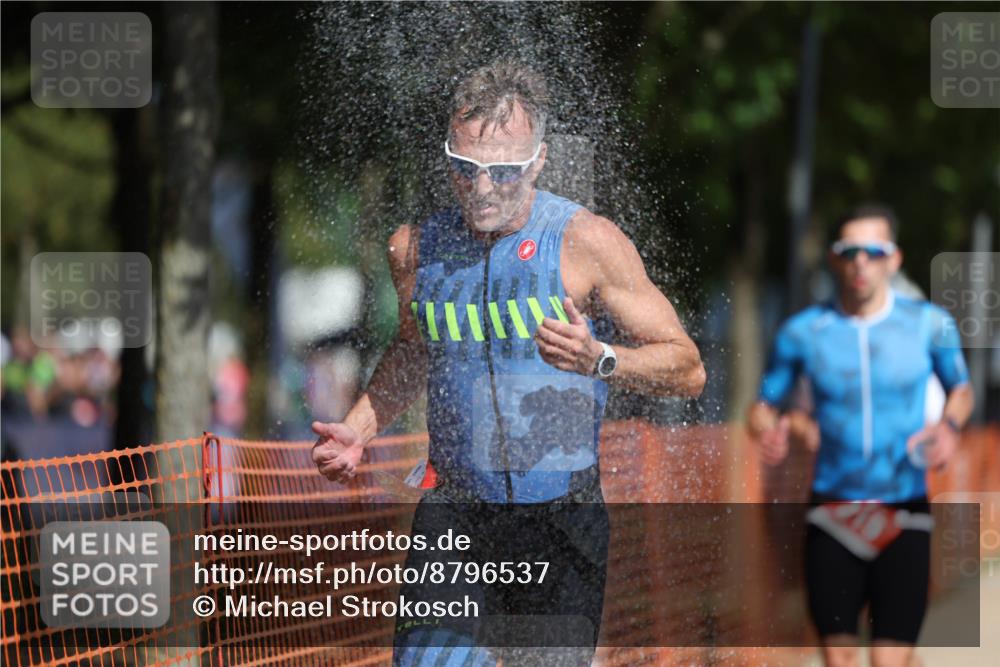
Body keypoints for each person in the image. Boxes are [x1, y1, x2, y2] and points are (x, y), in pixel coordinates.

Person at [311, 60, 705, 666]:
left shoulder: (585, 242)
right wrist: (359, 429)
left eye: (503, 171)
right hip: (456, 513)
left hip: (560, 519)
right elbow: (415, 348)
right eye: (464, 167)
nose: (482, 187)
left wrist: (599, 360)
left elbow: (687, 368)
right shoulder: (414, 248)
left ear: (539, 160)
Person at [746, 204, 974, 667]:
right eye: (850, 251)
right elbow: (762, 407)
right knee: (839, 658)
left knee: (890, 659)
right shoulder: (802, 333)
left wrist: (949, 428)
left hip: (904, 510)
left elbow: (962, 391)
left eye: (875, 251)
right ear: (835, 258)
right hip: (833, 510)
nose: (861, 262)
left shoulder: (930, 324)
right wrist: (771, 429)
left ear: (895, 258)